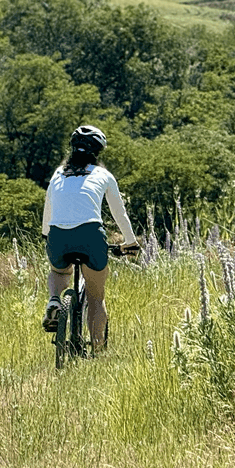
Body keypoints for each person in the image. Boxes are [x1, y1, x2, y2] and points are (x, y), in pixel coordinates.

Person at [42, 124, 137, 349]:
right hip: (90, 235)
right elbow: (119, 213)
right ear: (98, 152)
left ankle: (55, 299)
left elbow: (48, 207)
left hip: (57, 235)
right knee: (96, 296)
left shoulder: (58, 173)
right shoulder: (104, 175)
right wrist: (131, 242)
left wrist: (46, 235)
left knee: (58, 271)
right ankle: (97, 349)